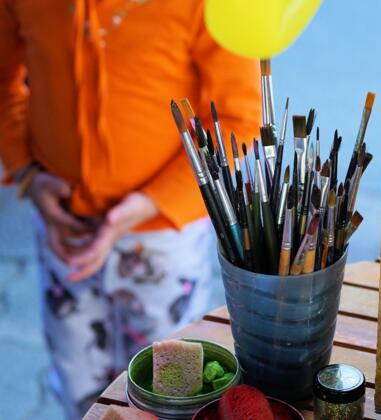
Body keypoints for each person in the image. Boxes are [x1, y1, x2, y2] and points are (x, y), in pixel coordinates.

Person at [0, 1, 261, 418]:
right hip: (64, 228)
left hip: (163, 237)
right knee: (79, 386)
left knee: (172, 387)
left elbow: (238, 119)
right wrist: (28, 175)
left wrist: (147, 205)